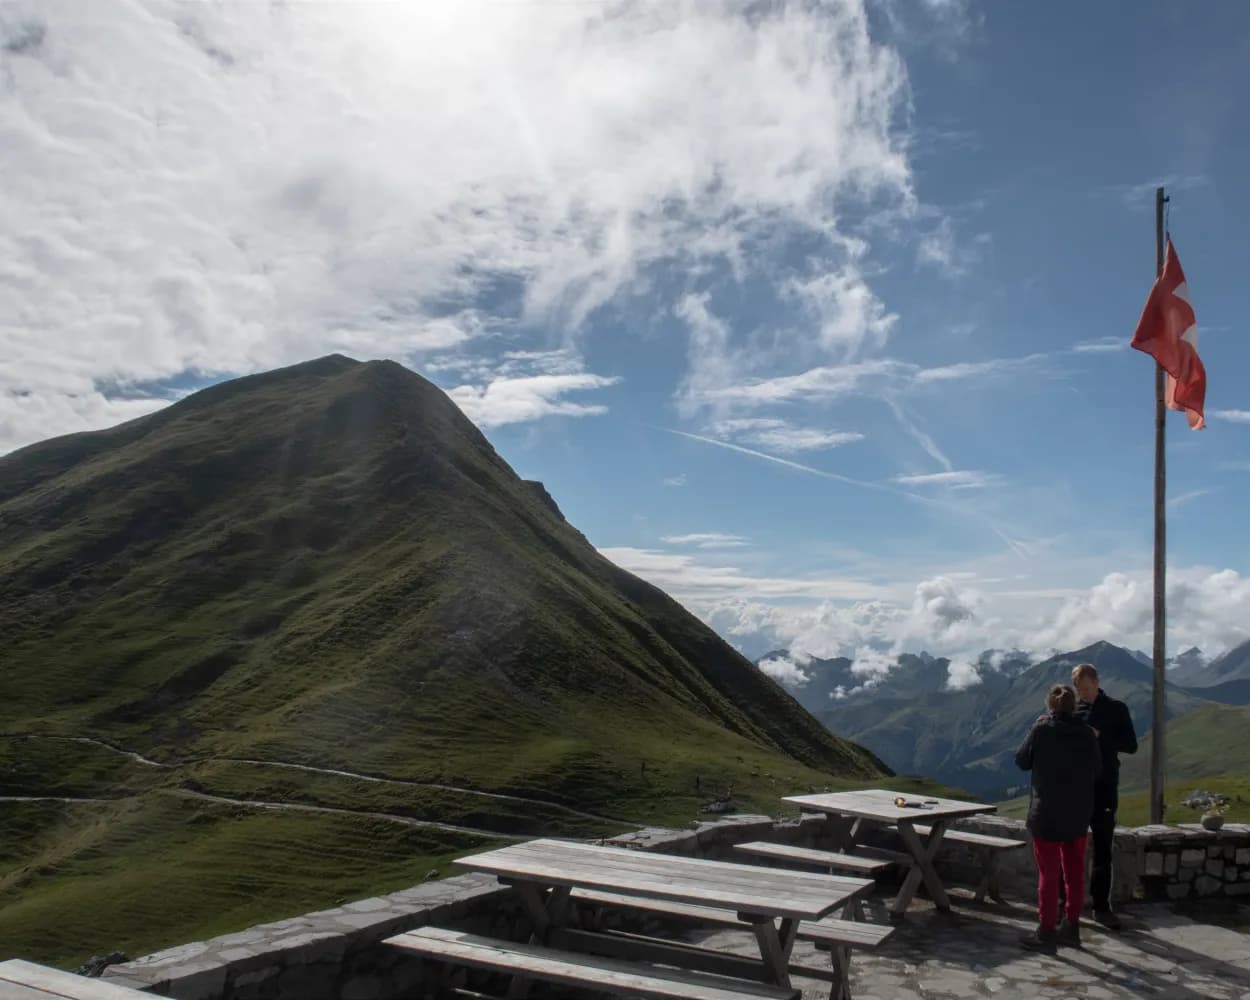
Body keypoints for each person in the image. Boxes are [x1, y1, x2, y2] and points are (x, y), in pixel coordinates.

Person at [1015, 684, 1101, 952]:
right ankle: (1072, 928)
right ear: (1074, 705)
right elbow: (1097, 770)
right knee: (1074, 874)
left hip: (1046, 814)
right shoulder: (1087, 734)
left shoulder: (1042, 729)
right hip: (1077, 813)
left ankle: (1046, 930)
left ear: (1050, 705)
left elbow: (1022, 760)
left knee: (1048, 875)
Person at [1072, 662, 1138, 930]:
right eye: (1080, 690)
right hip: (1077, 788)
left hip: (1105, 786)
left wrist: (1101, 737)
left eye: (1088, 688)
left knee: (1102, 849)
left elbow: (1131, 745)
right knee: (1072, 848)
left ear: (1097, 682)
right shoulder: (1074, 710)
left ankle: (1102, 907)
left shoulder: (1116, 708)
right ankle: (1070, 905)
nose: (1085, 694)